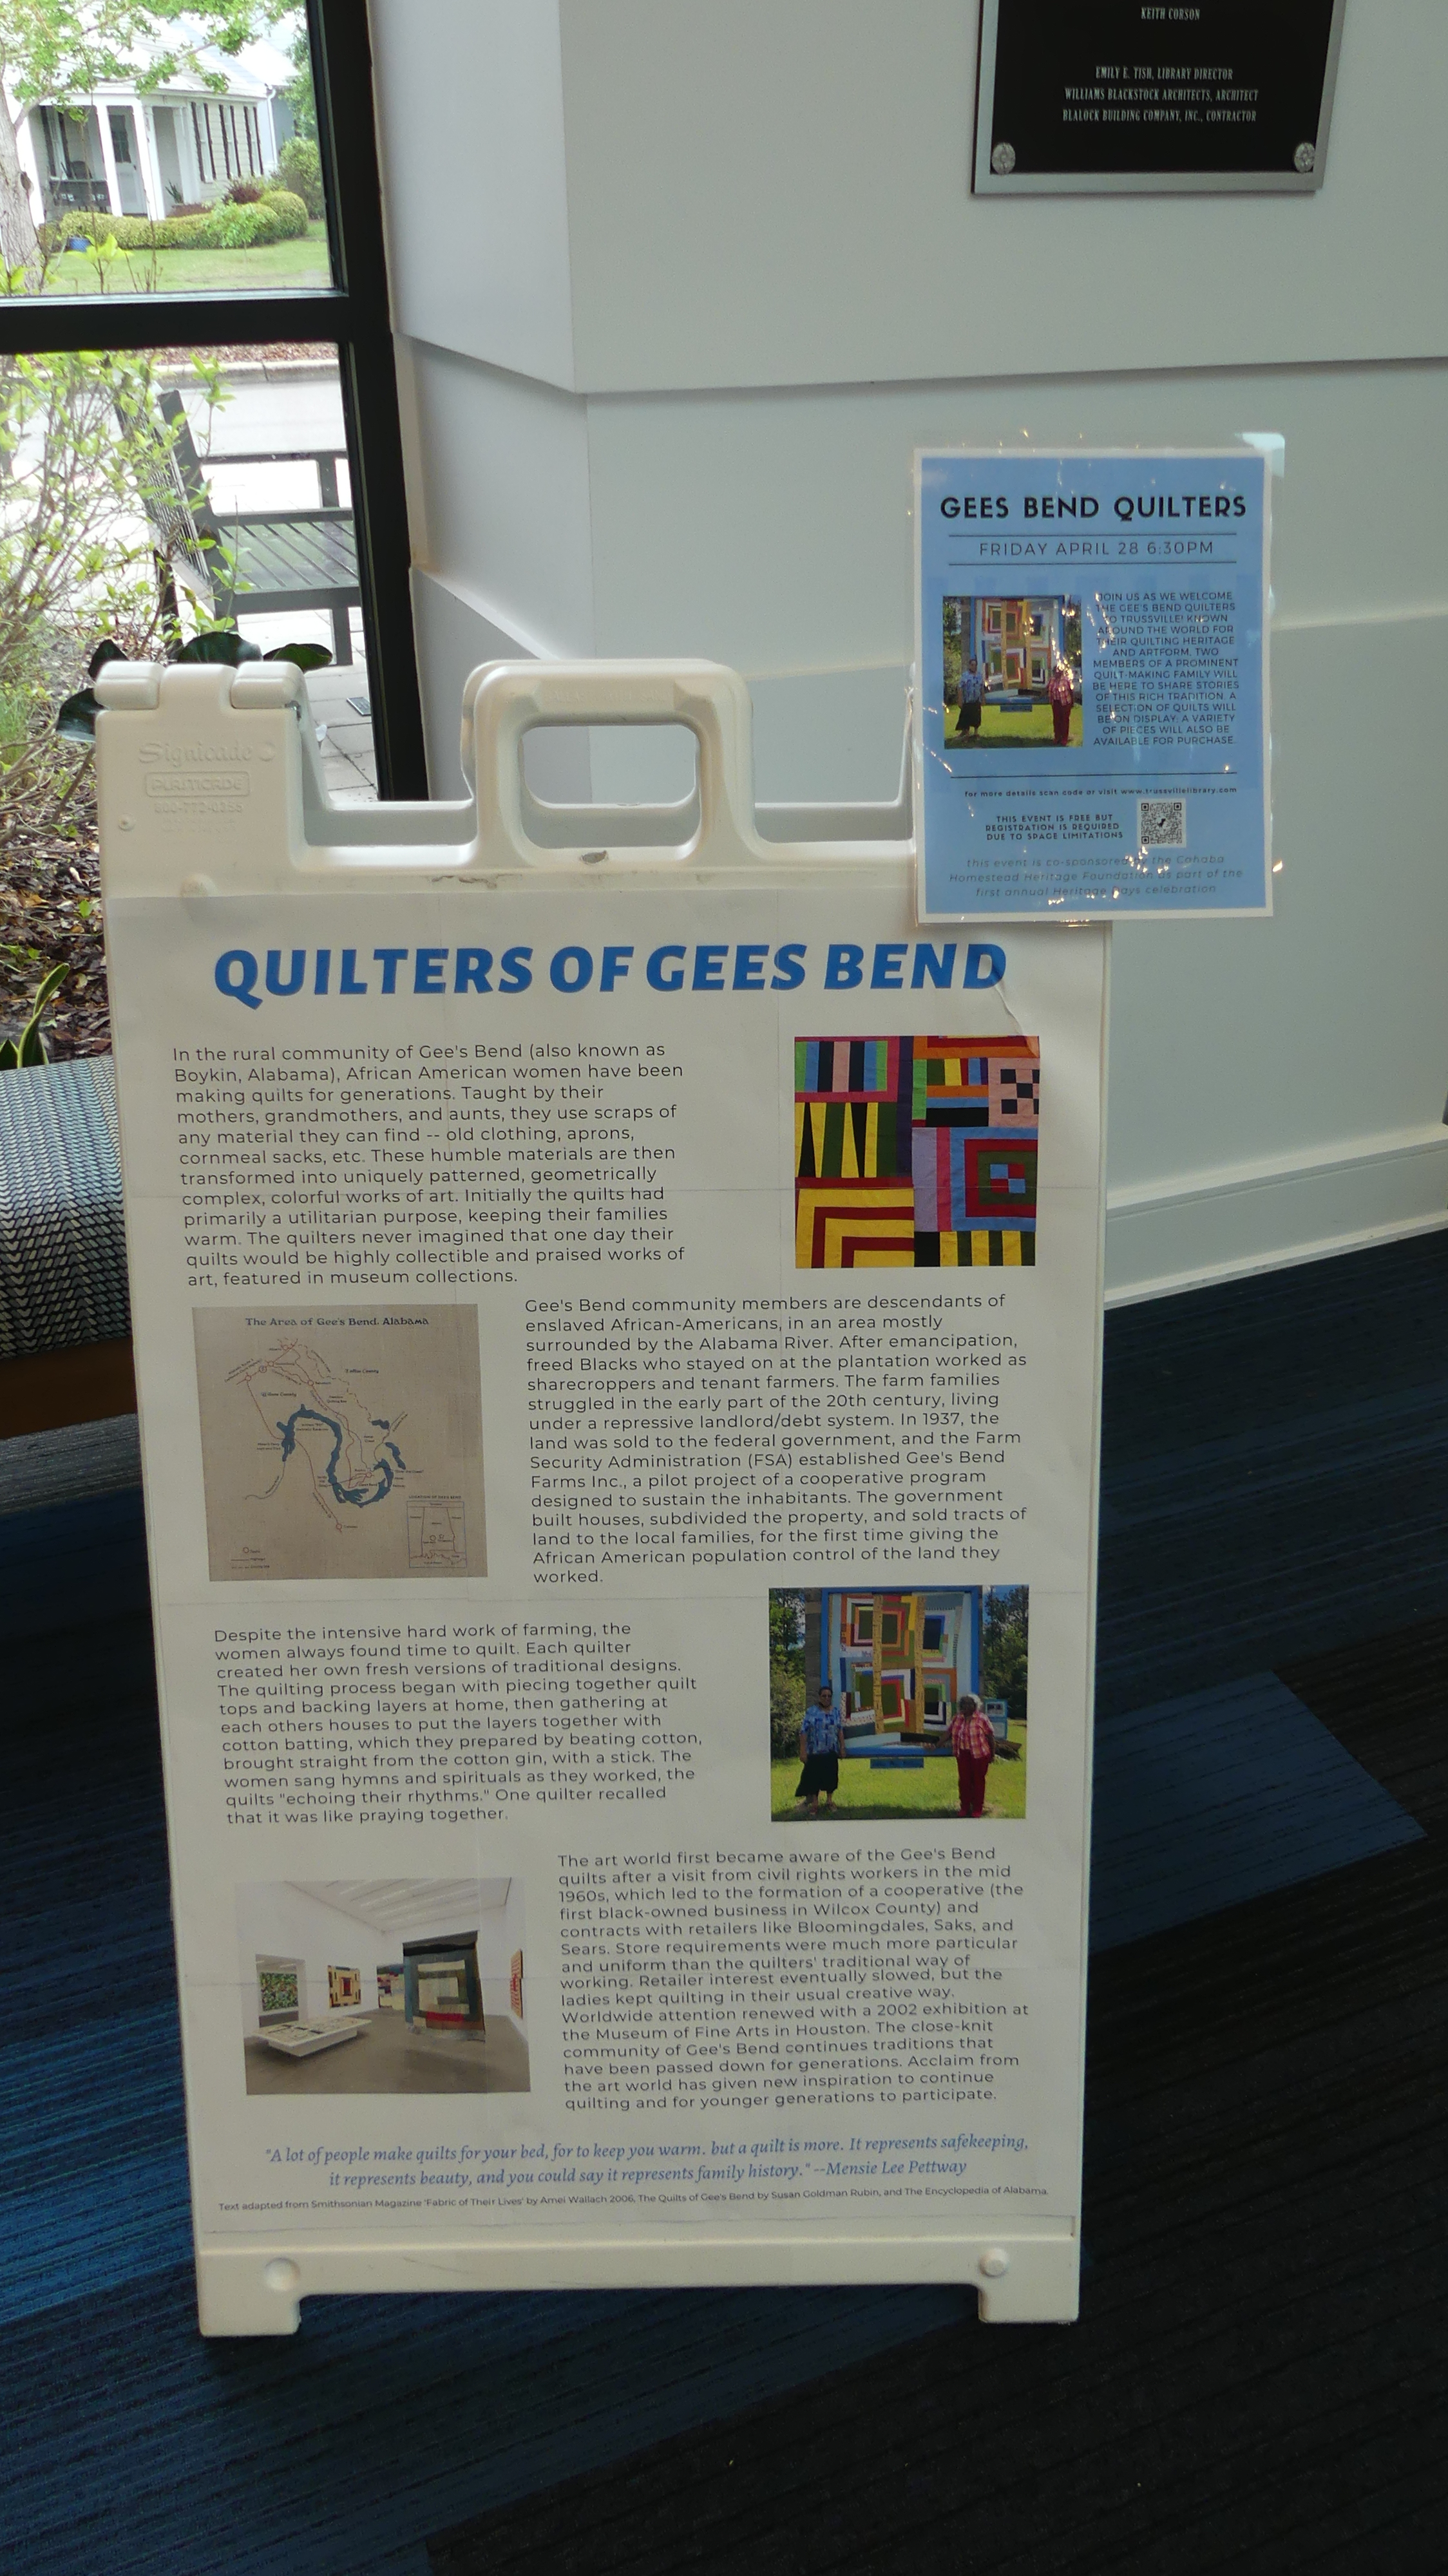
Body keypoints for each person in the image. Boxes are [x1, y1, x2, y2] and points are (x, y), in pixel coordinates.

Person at [795, 1681, 844, 1817]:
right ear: (819, 1697)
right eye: (824, 1696)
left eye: (829, 1696)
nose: (827, 1698)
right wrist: (803, 1751)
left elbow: (840, 1730)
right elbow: (803, 1732)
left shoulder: (836, 1712)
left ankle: (829, 1801)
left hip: (831, 1752)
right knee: (814, 1779)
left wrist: (842, 1747)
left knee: (831, 1778)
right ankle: (815, 1804)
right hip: (815, 1752)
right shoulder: (812, 1712)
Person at [951, 1690, 996, 1818]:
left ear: (975, 1706)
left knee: (978, 1782)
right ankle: (965, 1807)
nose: (966, 1706)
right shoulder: (957, 1718)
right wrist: (936, 1745)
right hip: (963, 1754)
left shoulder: (982, 1718)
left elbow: (990, 1737)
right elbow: (949, 1733)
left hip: (980, 1754)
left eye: (969, 1704)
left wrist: (993, 1754)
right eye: (963, 1704)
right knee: (964, 1782)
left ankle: (977, 1808)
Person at [1047, 654, 1074, 746]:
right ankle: (1057, 737)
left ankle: (1064, 739)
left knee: (1065, 721)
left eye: (1058, 671)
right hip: (1056, 703)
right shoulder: (1052, 680)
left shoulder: (1066, 680)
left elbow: (1071, 691)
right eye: (1055, 671)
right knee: (1056, 721)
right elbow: (1047, 689)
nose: (1056, 673)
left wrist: (1072, 702)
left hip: (1065, 703)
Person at [957, 655, 984, 742]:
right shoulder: (965, 676)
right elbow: (960, 687)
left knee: (977, 718)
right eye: (972, 665)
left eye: (975, 665)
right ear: (970, 666)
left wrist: (983, 698)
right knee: (967, 718)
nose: (974, 667)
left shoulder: (979, 676)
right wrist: (960, 700)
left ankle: (976, 733)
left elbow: (982, 687)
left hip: (976, 700)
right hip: (968, 700)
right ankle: (967, 734)